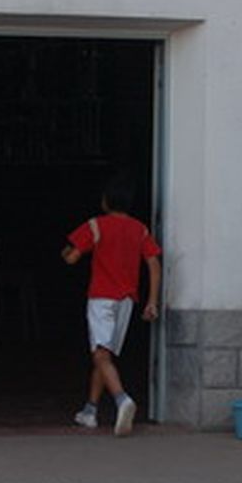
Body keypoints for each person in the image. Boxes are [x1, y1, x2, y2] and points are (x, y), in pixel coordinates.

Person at [60, 178, 162, 436]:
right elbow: (153, 264)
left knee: (100, 355)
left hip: (101, 298)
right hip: (127, 301)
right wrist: (152, 301)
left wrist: (65, 252)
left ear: (106, 201)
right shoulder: (139, 229)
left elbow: (71, 258)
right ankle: (90, 411)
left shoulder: (96, 225)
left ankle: (121, 400)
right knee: (104, 355)